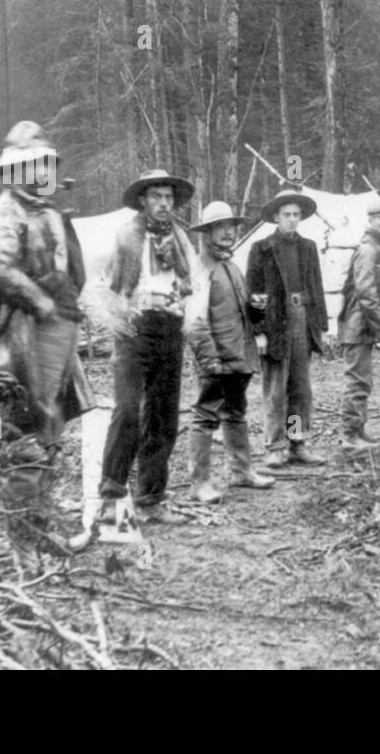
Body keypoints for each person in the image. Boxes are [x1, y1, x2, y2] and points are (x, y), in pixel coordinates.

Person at [0, 121, 94, 448]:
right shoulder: (5, 211)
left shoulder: (48, 209)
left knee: (51, 400)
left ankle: (39, 467)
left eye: (45, 165)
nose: (42, 172)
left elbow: (69, 265)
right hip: (19, 327)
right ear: (16, 169)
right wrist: (38, 299)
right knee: (8, 398)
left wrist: (65, 302)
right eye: (34, 165)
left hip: (59, 323)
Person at [99, 169, 202, 523]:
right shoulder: (126, 235)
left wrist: (187, 315)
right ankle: (110, 497)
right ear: (143, 200)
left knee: (163, 415)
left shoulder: (180, 237)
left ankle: (152, 499)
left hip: (169, 326)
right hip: (135, 328)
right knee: (128, 410)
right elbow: (105, 283)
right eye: (156, 196)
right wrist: (115, 317)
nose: (162, 203)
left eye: (168, 198)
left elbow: (195, 282)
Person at [185, 201, 275, 504]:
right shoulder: (200, 268)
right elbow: (195, 320)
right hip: (217, 356)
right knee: (205, 416)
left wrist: (256, 309)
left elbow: (242, 312)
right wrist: (208, 358)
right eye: (220, 227)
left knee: (236, 412)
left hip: (239, 354)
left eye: (231, 226)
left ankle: (242, 471)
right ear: (207, 232)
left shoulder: (232, 266)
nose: (228, 232)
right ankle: (199, 483)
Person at [246, 189, 328, 468]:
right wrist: (258, 330)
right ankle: (275, 446)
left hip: (302, 318)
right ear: (276, 217)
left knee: (300, 387)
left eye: (296, 215)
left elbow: (316, 288)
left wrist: (321, 326)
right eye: (286, 215)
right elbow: (254, 293)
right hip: (274, 322)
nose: (292, 220)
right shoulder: (262, 249)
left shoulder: (308, 247)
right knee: (276, 387)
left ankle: (297, 442)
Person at [337, 197, 380, 451]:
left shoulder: (378, 248)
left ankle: (359, 430)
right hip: (357, 326)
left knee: (363, 381)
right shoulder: (368, 250)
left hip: (363, 327)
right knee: (356, 382)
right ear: (370, 221)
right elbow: (367, 293)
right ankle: (349, 435)